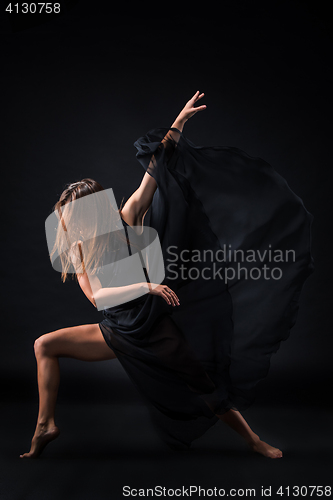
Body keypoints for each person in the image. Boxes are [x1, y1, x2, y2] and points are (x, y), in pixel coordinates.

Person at [20, 92, 313, 459]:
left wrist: (180, 122)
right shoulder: (81, 251)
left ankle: (253, 441)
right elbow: (97, 300)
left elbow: (154, 170)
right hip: (118, 330)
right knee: (44, 344)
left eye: (74, 216)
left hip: (154, 328)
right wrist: (144, 285)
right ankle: (45, 425)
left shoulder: (127, 218)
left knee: (205, 387)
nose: (68, 224)